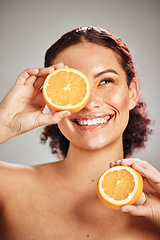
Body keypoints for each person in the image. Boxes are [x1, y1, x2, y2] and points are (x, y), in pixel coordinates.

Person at [0, 26, 160, 240]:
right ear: (50, 97)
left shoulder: (156, 204)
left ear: (132, 93)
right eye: (73, 85)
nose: (89, 103)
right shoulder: (7, 187)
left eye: (105, 81)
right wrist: (4, 125)